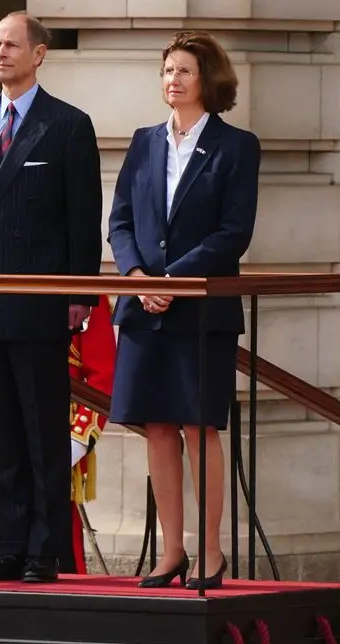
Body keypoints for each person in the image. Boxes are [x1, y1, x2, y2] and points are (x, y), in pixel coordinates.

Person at [0, 10, 103, 583]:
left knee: (43, 432)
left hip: (43, 301)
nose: (0, 53)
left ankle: (45, 550)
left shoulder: (68, 124)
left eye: (12, 44)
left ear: (38, 54)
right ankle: (9, 546)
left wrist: (79, 294)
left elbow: (82, 216)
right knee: (3, 434)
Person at [107, 30, 259, 590]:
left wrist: (173, 279)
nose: (173, 80)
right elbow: (120, 220)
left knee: (199, 426)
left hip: (201, 307)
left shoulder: (237, 146)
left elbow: (233, 232)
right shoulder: (145, 142)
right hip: (144, 306)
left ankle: (211, 552)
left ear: (208, 80)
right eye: (167, 70)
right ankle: (172, 552)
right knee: (157, 427)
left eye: (184, 71)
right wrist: (137, 277)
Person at [0, 285, 116, 574]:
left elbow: (102, 379)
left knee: (58, 531)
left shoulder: (81, 292)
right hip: (12, 416)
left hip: (61, 423)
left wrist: (77, 440)